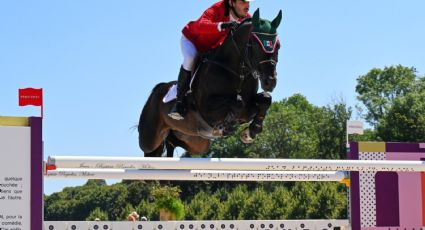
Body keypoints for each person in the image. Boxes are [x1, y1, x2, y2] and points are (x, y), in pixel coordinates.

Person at [168, 0, 254, 120]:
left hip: (211, 48)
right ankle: (179, 103)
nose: (247, 5)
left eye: (248, 2)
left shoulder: (246, 18)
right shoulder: (217, 8)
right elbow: (201, 25)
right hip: (193, 41)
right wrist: (222, 25)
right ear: (232, 3)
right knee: (191, 58)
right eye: (243, 2)